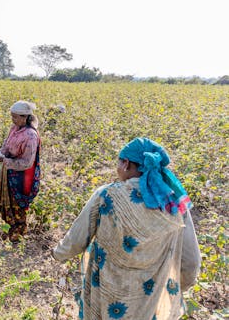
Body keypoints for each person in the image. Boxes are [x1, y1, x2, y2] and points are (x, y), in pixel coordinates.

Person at [52, 137, 201, 320]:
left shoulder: (106, 196)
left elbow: (76, 239)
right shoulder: (173, 205)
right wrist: (178, 285)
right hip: (149, 302)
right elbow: (191, 261)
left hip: (106, 296)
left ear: (126, 164)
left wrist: (57, 254)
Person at [0, 100, 41, 242]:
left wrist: (5, 161)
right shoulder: (14, 128)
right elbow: (6, 146)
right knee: (5, 204)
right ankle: (8, 229)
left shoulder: (31, 135)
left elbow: (27, 163)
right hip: (8, 172)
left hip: (21, 177)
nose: (12, 120)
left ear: (25, 117)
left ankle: (17, 235)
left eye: (15, 117)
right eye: (12, 116)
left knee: (17, 206)